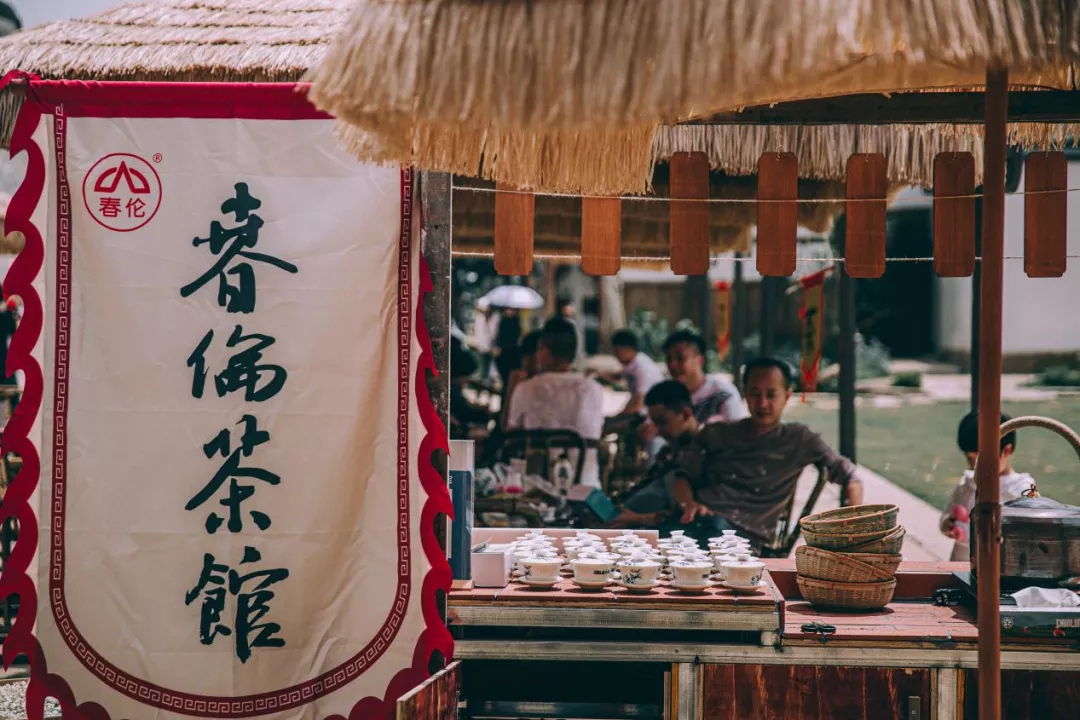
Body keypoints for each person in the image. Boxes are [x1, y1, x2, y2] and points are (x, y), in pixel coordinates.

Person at [668, 357, 864, 548]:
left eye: (771, 395)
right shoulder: (716, 433)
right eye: (755, 394)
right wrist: (688, 503)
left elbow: (851, 478)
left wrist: (853, 532)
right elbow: (683, 475)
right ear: (745, 394)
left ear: (787, 396)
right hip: (698, 519)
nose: (762, 403)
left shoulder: (799, 440)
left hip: (743, 538)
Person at [506, 318, 605, 487]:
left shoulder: (526, 388)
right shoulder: (594, 389)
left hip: (536, 487)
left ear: (543, 350)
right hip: (586, 485)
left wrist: (510, 388)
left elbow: (509, 428)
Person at [940, 411, 1037, 562]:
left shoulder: (1023, 488)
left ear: (1006, 451)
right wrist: (948, 524)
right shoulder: (966, 483)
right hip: (962, 562)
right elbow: (946, 517)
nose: (974, 466)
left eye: (980, 459)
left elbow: (1033, 529)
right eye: (970, 458)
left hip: (1003, 565)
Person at [609, 381, 700, 529]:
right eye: (655, 423)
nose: (657, 430)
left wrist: (639, 519)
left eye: (662, 422)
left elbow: (694, 512)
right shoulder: (667, 453)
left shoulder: (707, 454)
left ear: (685, 414)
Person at [662, 329, 748, 424]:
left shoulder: (722, 392)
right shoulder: (665, 397)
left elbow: (739, 431)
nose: (672, 365)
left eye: (680, 358)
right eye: (669, 359)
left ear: (700, 360)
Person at [611, 329, 665, 417]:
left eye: (617, 351)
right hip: (643, 408)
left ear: (628, 349)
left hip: (655, 413)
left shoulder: (643, 368)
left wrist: (618, 418)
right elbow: (634, 397)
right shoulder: (629, 363)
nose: (615, 355)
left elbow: (639, 404)